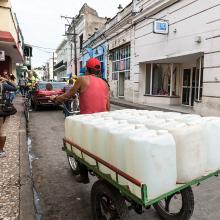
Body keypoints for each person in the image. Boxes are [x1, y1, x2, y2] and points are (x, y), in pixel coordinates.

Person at [51, 58, 110, 183]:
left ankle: (84, 176)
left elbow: (68, 95)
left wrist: (56, 98)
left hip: (88, 121)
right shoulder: (105, 83)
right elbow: (108, 106)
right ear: (99, 70)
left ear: (87, 69)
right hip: (104, 121)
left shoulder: (82, 79)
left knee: (78, 145)